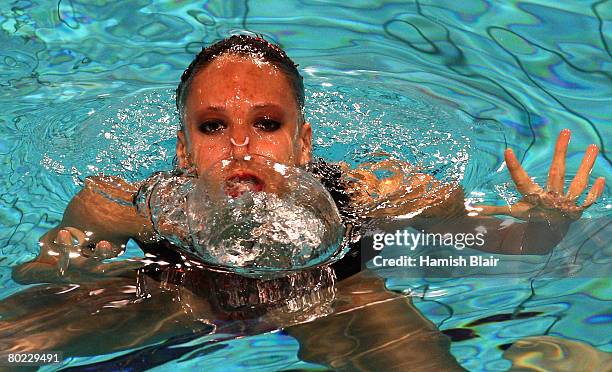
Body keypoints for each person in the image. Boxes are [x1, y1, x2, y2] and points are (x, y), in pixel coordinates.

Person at [6, 35, 605, 369]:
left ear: (303, 139)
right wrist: (68, 266)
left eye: (266, 123)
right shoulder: (118, 206)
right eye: (213, 128)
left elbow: (501, 252)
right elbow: (34, 270)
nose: (241, 148)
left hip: (336, 298)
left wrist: (549, 223)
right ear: (184, 150)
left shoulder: (378, 195)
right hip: (176, 293)